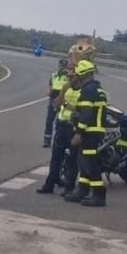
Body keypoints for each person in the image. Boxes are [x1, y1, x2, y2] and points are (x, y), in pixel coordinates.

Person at [64, 59, 108, 207]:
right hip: (95, 130)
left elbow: (87, 115)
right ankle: (82, 191)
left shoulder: (88, 91)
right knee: (84, 162)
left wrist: (78, 132)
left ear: (82, 75)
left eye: (77, 74)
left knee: (90, 163)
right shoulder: (97, 89)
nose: (76, 77)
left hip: (90, 132)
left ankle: (98, 195)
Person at [36, 64, 80, 195]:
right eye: (68, 75)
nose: (69, 78)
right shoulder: (66, 88)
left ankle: (69, 188)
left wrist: (66, 104)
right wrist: (63, 92)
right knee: (56, 158)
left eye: (72, 76)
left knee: (72, 160)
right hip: (61, 125)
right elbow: (56, 104)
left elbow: (81, 109)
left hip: (74, 127)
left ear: (78, 76)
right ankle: (49, 184)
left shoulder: (83, 91)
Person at [43, 58, 70, 148]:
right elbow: (50, 84)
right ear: (58, 66)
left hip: (63, 100)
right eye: (61, 66)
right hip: (53, 98)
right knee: (49, 121)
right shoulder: (54, 75)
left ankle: (57, 140)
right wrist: (50, 91)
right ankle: (46, 140)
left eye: (64, 66)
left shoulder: (68, 77)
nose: (62, 68)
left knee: (60, 121)